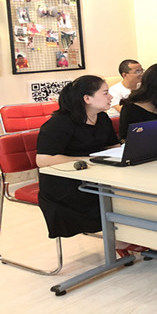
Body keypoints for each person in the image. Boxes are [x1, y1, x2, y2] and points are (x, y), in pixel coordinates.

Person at [36, 76, 119, 238]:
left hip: (96, 174)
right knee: (115, 198)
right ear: (87, 99)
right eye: (105, 93)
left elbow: (112, 147)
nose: (110, 97)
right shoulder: (59, 123)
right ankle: (117, 238)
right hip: (65, 184)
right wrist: (87, 159)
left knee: (129, 193)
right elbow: (43, 160)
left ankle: (124, 235)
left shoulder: (102, 118)